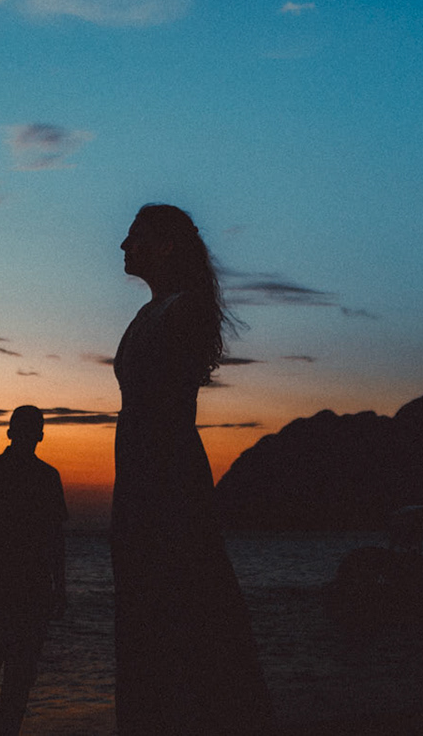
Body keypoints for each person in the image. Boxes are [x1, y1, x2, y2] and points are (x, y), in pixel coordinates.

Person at [112, 203, 273, 734]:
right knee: (149, 605)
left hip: (166, 473)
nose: (123, 245)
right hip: (142, 469)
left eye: (135, 236)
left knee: (180, 603)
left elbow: (165, 405)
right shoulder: (151, 312)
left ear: (165, 246)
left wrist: (150, 488)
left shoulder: (184, 311)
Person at [0, 404, 68, 736]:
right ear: (40, 435)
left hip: (6, 594)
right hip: (24, 594)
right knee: (12, 687)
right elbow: (55, 540)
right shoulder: (45, 477)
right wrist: (60, 588)